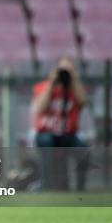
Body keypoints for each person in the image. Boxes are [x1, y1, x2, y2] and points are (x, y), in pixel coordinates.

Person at [32, 57, 89, 190]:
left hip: (68, 134)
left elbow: (83, 101)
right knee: (47, 142)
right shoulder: (43, 86)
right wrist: (52, 82)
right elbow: (40, 108)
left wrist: (73, 78)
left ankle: (81, 189)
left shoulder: (75, 89)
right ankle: (47, 185)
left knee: (83, 149)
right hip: (46, 133)